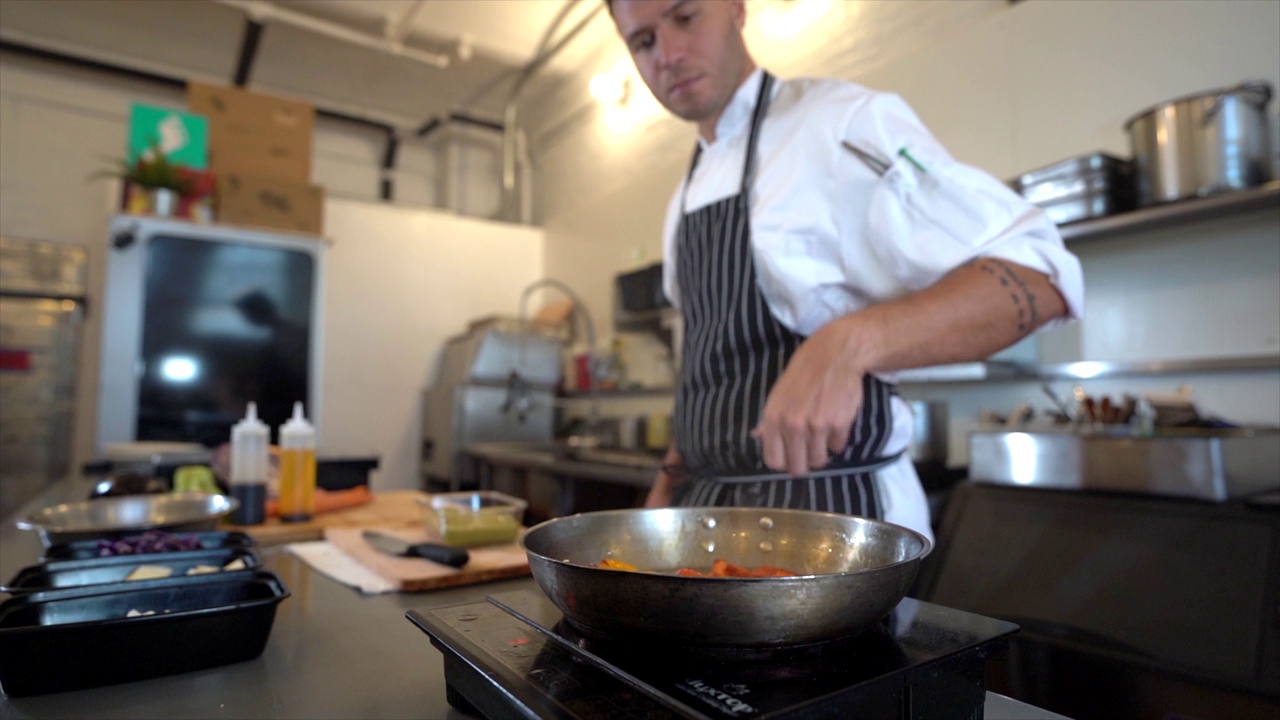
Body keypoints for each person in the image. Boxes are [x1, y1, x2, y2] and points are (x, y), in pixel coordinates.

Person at [607, 0, 1084, 541]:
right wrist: (668, 484)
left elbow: (1042, 276)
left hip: (839, 524)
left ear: (736, 8)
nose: (668, 54)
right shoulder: (683, 197)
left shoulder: (839, 125)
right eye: (643, 42)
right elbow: (706, 373)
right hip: (706, 519)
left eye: (686, 17)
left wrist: (848, 343)